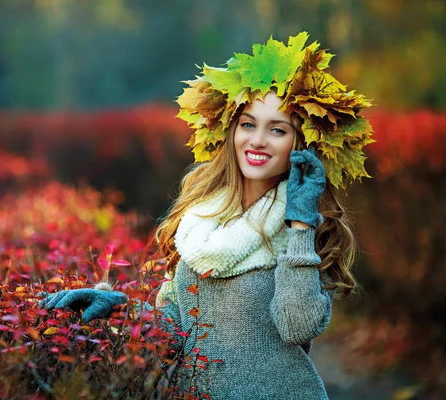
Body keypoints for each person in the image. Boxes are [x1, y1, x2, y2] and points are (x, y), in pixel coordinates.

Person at [39, 32, 374, 399]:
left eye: (277, 130)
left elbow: (297, 326)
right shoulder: (200, 218)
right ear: (231, 131)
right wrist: (120, 309)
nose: (258, 140)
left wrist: (299, 224)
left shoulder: (303, 227)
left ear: (301, 145)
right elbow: (177, 332)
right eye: (248, 124)